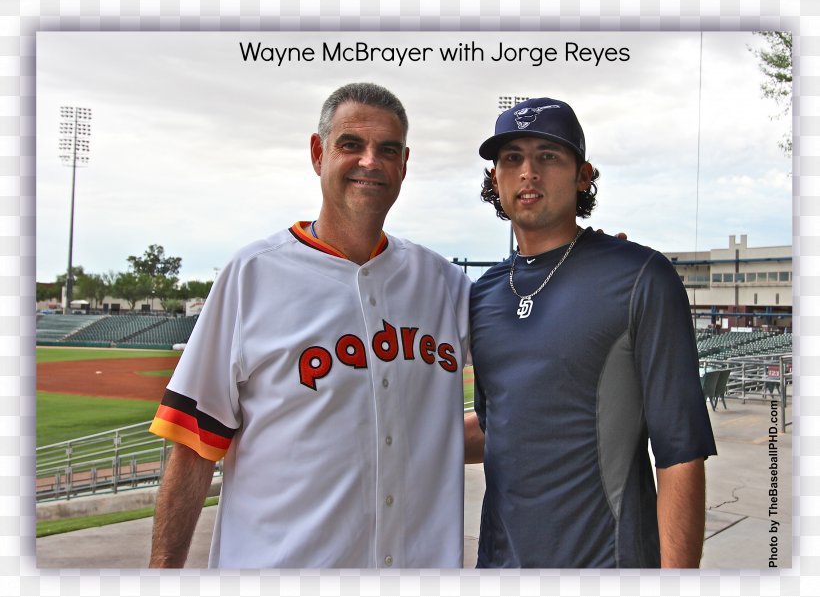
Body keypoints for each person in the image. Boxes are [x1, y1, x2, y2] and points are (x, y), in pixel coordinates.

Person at [148, 83, 472, 568]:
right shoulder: (253, 274)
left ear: (404, 164)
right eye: (351, 145)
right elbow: (194, 447)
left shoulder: (444, 283)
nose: (370, 161)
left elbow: (527, 406)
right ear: (318, 153)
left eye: (388, 150)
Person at [465, 97, 718, 568]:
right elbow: (496, 427)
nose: (528, 172)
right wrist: (381, 441)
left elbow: (679, 451)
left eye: (548, 156)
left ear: (583, 175)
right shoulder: (485, 293)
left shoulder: (641, 276)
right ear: (495, 178)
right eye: (512, 158)